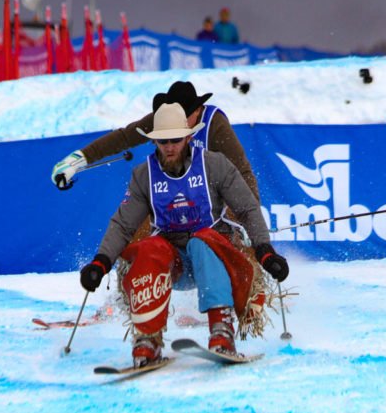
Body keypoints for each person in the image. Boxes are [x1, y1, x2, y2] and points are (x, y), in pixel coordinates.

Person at [78, 103, 289, 367]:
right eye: (163, 141)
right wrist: (101, 261)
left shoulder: (215, 165)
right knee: (148, 248)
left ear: (189, 136)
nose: (169, 147)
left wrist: (264, 250)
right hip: (172, 261)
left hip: (213, 256)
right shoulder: (144, 175)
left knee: (203, 242)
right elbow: (123, 225)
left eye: (175, 140)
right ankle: (148, 339)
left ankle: (221, 331)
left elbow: (247, 209)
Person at [51, 80, 260, 202]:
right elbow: (124, 137)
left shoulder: (215, 125)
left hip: (211, 199)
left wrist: (253, 217)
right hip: (173, 196)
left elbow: (242, 171)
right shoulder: (166, 118)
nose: (176, 122)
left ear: (197, 110)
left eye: (183, 115)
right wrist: (80, 158)